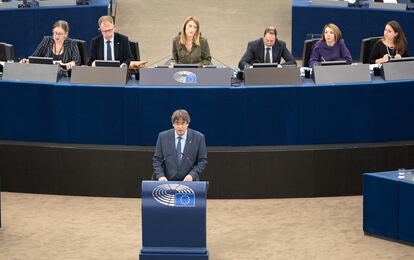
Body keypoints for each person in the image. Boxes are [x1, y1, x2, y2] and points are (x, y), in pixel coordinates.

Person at [153, 109, 208, 182]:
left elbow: (202, 160)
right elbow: (157, 160)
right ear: (173, 124)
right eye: (177, 123)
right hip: (167, 182)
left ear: (188, 123)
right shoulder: (163, 137)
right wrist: (160, 175)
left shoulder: (198, 138)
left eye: (183, 123)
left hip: (190, 183)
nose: (180, 126)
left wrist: (192, 174)